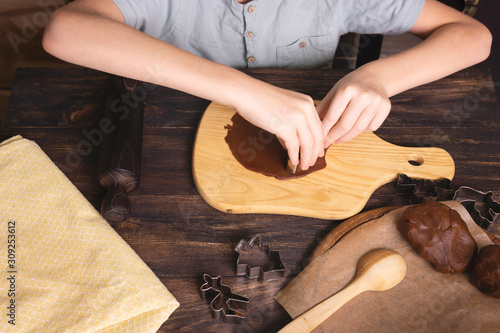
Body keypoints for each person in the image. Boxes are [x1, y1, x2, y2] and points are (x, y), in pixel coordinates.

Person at [42, 0, 491, 171]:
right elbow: (66, 29)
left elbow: (473, 35)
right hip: (169, 141)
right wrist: (244, 90)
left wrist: (380, 76)